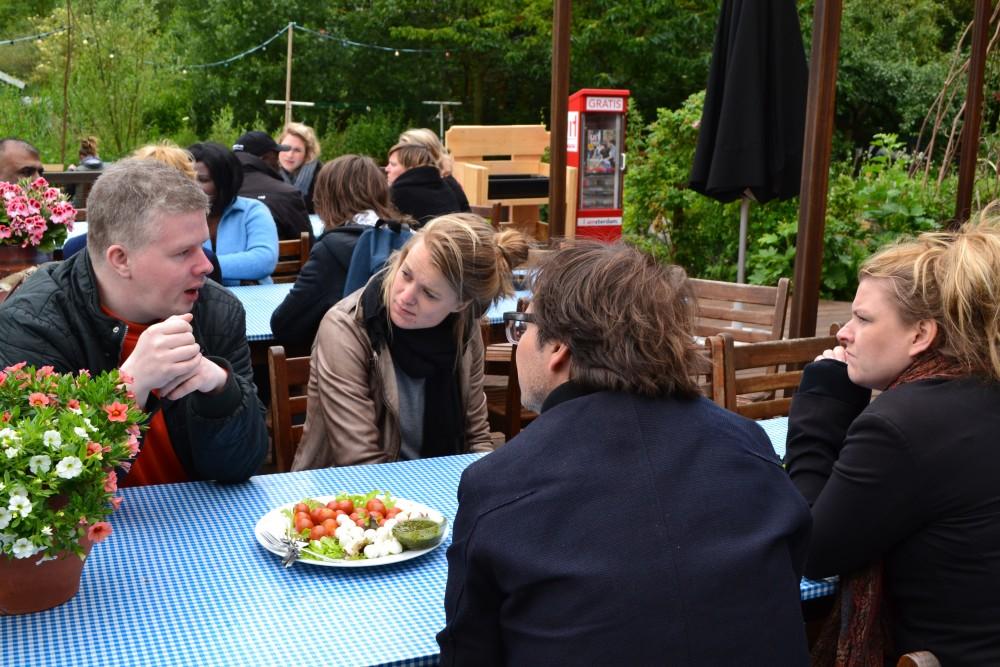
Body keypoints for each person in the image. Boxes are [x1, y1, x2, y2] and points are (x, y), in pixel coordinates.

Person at [437, 241, 812, 666]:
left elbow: (467, 651)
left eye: (524, 327)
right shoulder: (750, 447)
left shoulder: (501, 483)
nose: (520, 342)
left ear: (559, 346)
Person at [785, 220, 1000, 665]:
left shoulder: (903, 425)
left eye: (863, 318)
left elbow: (813, 551)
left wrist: (820, 408)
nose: (844, 333)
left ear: (921, 334)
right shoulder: (981, 389)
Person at [0, 158, 269, 486]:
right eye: (183, 252)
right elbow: (41, 485)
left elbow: (240, 467)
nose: (206, 266)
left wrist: (221, 390)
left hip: (198, 523)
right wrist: (129, 386)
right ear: (121, 259)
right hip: (95, 533)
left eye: (202, 246)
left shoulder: (215, 309)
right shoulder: (34, 323)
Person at [291, 213, 528, 470]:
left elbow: (476, 435)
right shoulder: (347, 328)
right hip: (344, 497)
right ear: (401, 258)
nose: (406, 296)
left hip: (436, 485)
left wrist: (484, 492)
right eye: (406, 274)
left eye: (429, 293)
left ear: (461, 304)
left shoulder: (464, 329)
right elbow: (361, 462)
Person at [270, 154, 409, 348]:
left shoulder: (330, 250)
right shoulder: (407, 237)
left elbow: (285, 325)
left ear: (326, 198)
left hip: (352, 363)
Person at [188, 142, 278, 286]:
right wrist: (241, 268)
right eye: (188, 178)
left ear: (224, 182)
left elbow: (264, 260)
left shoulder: (252, 211)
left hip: (255, 299)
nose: (194, 186)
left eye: (203, 180)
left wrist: (199, 267)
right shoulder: (179, 217)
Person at [232, 130, 313, 241]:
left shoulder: (215, 189)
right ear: (265, 158)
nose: (278, 162)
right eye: (276, 155)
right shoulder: (287, 193)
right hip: (278, 258)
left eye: (297, 150)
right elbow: (307, 244)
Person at [385, 143, 464, 226]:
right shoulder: (444, 185)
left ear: (411, 167)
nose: (387, 169)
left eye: (393, 165)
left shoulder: (399, 193)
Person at [396, 128, 470, 212]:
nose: (400, 157)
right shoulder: (440, 180)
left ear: (421, 154)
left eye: (404, 153)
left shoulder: (442, 185)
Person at [277, 122, 322, 214]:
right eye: (285, 148)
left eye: (297, 150)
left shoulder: (322, 176)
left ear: (307, 153)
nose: (290, 155)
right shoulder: (266, 172)